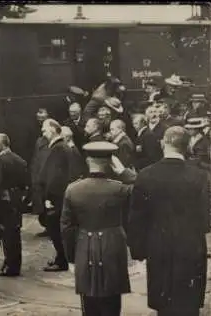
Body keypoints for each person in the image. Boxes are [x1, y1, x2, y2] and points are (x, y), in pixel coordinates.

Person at [128, 126, 209, 316]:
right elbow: (206, 220)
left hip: (158, 247)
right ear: (187, 146)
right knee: (188, 303)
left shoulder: (146, 175)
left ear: (163, 143)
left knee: (164, 304)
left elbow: (136, 219)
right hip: (190, 248)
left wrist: (138, 250)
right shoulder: (199, 176)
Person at [61, 142, 136, 316]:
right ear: (111, 161)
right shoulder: (119, 188)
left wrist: (71, 257)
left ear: (88, 161)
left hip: (85, 244)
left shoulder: (73, 189)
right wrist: (124, 171)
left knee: (89, 301)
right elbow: (143, 190)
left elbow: (66, 228)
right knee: (112, 299)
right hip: (113, 244)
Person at [38, 119, 75, 272]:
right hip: (60, 196)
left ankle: (62, 260)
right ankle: (61, 258)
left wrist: (49, 197)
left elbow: (55, 176)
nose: (43, 131)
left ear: (53, 129)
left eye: (45, 129)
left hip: (56, 198)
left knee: (55, 228)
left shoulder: (58, 148)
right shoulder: (61, 147)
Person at [0, 133, 27, 277]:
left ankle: (10, 266)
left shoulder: (1, 161)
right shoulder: (19, 160)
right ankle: (14, 264)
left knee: (7, 235)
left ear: (1, 144)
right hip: (16, 201)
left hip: (5, 203)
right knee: (15, 235)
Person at [29, 109, 51, 237]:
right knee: (42, 205)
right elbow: (36, 158)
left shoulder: (53, 142)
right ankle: (47, 227)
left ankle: (52, 228)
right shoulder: (39, 140)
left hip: (47, 177)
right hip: (39, 176)